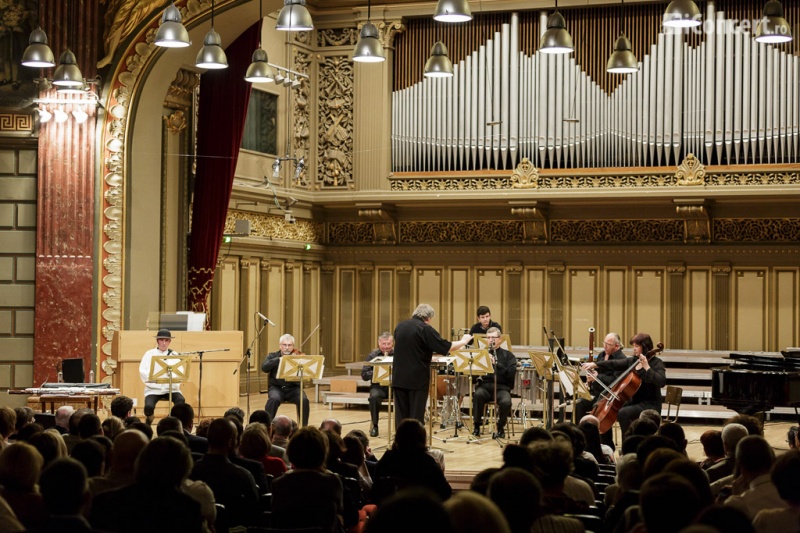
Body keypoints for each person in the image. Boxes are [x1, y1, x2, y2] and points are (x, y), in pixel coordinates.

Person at [392, 304, 471, 426]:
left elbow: (413, 348)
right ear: (428, 318)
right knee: (415, 416)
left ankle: (401, 442)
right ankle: (415, 444)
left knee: (401, 416)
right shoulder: (425, 329)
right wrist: (464, 341)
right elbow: (447, 347)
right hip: (416, 380)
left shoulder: (400, 327)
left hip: (398, 378)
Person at [581, 332, 666, 437]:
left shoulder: (656, 363)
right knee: (604, 409)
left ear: (645, 347)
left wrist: (647, 368)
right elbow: (614, 364)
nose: (634, 349)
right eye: (633, 346)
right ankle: (606, 443)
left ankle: (628, 444)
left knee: (623, 413)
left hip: (650, 403)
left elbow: (662, 381)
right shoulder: (633, 361)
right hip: (634, 402)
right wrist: (595, 364)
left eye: (637, 346)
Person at [573, 332, 626, 434]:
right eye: (604, 343)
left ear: (617, 346)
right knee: (579, 403)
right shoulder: (602, 355)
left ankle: (602, 441)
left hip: (609, 398)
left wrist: (598, 377)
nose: (604, 346)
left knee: (598, 409)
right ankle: (580, 434)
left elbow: (615, 382)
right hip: (597, 394)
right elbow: (597, 373)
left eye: (608, 344)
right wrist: (591, 376)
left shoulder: (621, 359)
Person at [471, 327, 516, 438]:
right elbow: (474, 377)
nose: (491, 340)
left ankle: (500, 427)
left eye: (493, 337)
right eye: (488, 338)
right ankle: (476, 426)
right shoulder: (481, 354)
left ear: (500, 339)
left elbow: (510, 374)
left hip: (501, 388)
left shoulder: (508, 356)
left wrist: (496, 363)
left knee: (506, 402)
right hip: (485, 387)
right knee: (477, 395)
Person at [261, 333, 310, 427]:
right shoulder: (273, 356)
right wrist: (279, 359)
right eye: (284, 345)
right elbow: (264, 367)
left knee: (304, 400)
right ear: (280, 346)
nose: (287, 347)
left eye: (289, 345)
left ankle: (304, 427)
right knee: (273, 399)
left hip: (294, 389)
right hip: (277, 388)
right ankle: (267, 427)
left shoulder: (298, 357)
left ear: (293, 346)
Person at [139, 329, 185, 425]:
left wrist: (172, 376)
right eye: (161, 340)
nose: (164, 343)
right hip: (154, 389)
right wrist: (155, 381)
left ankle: (169, 421)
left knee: (181, 402)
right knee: (148, 407)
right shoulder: (149, 354)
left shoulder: (174, 355)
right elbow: (143, 371)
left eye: (166, 340)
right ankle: (149, 419)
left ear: (169, 342)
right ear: (157, 341)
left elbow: (180, 372)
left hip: (171, 388)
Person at [361, 332, 394, 437]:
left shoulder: (398, 354)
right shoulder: (372, 356)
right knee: (374, 398)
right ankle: (375, 426)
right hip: (378, 387)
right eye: (384, 344)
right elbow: (364, 375)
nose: (386, 347)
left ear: (392, 343)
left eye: (388, 344)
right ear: (379, 343)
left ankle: (400, 427)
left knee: (403, 396)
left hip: (394, 387)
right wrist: (377, 372)